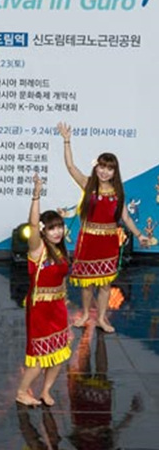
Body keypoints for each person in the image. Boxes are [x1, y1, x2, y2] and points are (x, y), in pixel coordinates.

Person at [57, 122, 149, 332]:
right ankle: (85, 316)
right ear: (96, 167)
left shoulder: (118, 191)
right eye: (102, 167)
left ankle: (101, 318)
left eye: (109, 168)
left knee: (105, 284)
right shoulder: (88, 184)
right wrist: (67, 141)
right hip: (88, 241)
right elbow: (70, 167)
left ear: (114, 171)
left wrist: (140, 235)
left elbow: (125, 216)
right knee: (87, 283)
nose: (104, 172)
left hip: (108, 243)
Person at [15, 173, 72, 408]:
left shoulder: (60, 251)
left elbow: (61, 277)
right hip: (40, 309)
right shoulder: (38, 249)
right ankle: (21, 392)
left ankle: (46, 391)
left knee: (59, 353)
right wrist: (36, 195)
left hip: (57, 307)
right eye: (51, 228)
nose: (57, 232)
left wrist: (65, 298)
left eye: (59, 227)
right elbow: (32, 225)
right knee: (39, 357)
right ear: (43, 231)